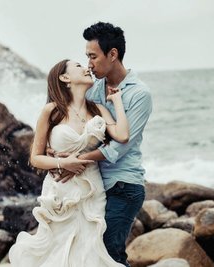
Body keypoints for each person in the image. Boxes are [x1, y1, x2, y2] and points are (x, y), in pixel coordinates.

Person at [8, 58, 128, 267]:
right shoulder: (52, 111)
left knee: (90, 248)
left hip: (92, 188)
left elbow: (123, 135)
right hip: (60, 190)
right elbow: (35, 158)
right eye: (78, 66)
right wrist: (63, 163)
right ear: (65, 78)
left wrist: (117, 101)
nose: (86, 68)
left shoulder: (98, 109)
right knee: (57, 248)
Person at [56, 22, 152, 267]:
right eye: (86, 57)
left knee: (111, 253)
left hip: (124, 185)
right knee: (91, 254)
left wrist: (77, 161)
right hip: (94, 185)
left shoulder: (139, 94)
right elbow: (76, 122)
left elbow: (119, 147)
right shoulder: (94, 88)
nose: (88, 63)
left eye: (93, 56)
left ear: (112, 54)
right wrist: (56, 152)